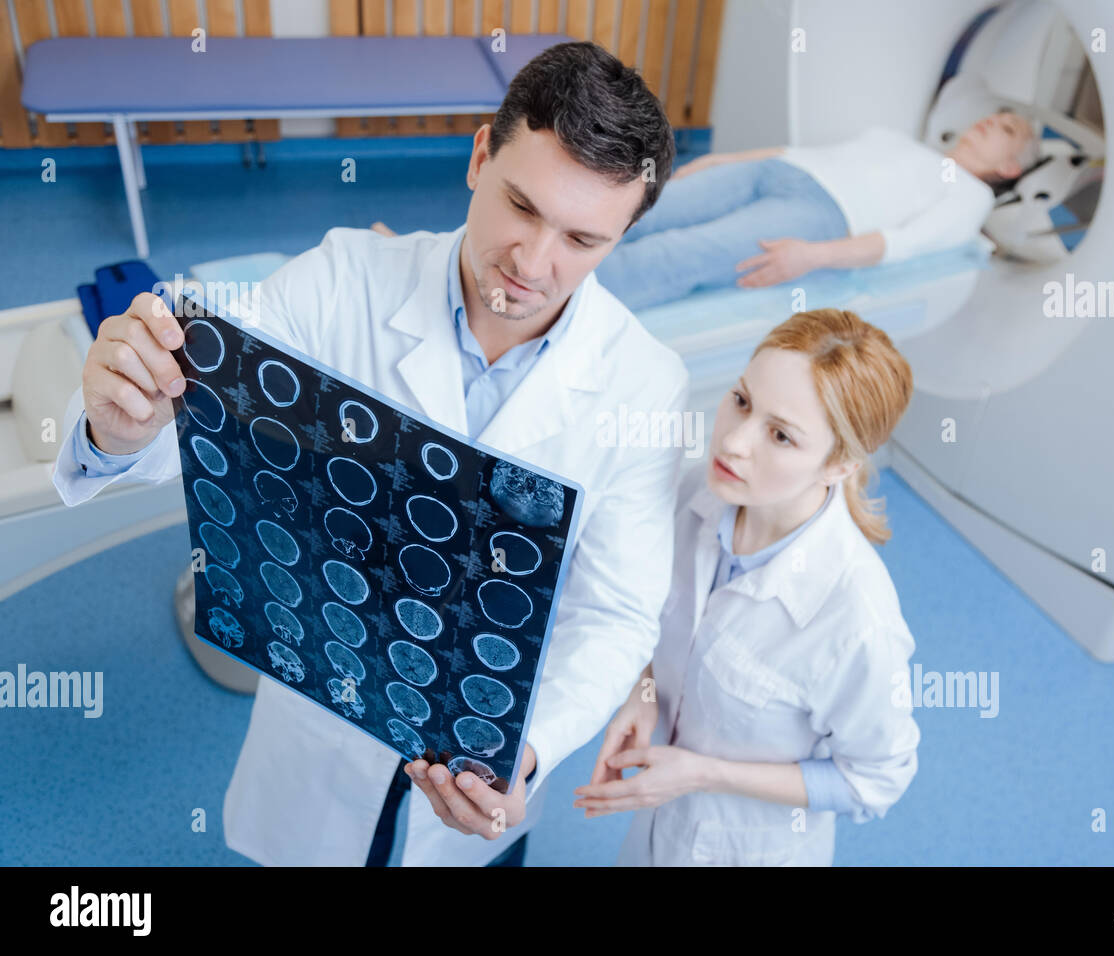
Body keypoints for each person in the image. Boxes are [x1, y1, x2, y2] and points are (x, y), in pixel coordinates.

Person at [50, 40, 688, 868]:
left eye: (582, 239)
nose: (534, 264)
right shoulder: (342, 281)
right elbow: (198, 427)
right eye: (521, 207)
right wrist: (118, 425)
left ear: (621, 236)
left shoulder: (646, 384)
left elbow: (617, 612)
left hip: (480, 769)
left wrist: (526, 753)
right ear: (478, 156)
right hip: (321, 720)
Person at [574, 308, 922, 866]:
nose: (733, 442)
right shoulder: (697, 495)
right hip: (654, 835)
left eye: (780, 435)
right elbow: (650, 619)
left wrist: (705, 774)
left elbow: (876, 780)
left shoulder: (856, 620)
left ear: (837, 465)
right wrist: (642, 693)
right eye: (741, 400)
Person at [594, 110, 1039, 310]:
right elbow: (813, 152)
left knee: (678, 253)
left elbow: (902, 243)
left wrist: (812, 255)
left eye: (1005, 127)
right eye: (992, 115)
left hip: (823, 214)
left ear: (1009, 166)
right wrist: (726, 160)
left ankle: (546, 307)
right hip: (777, 167)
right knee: (643, 206)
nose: (987, 121)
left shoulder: (971, 196)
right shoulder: (898, 140)